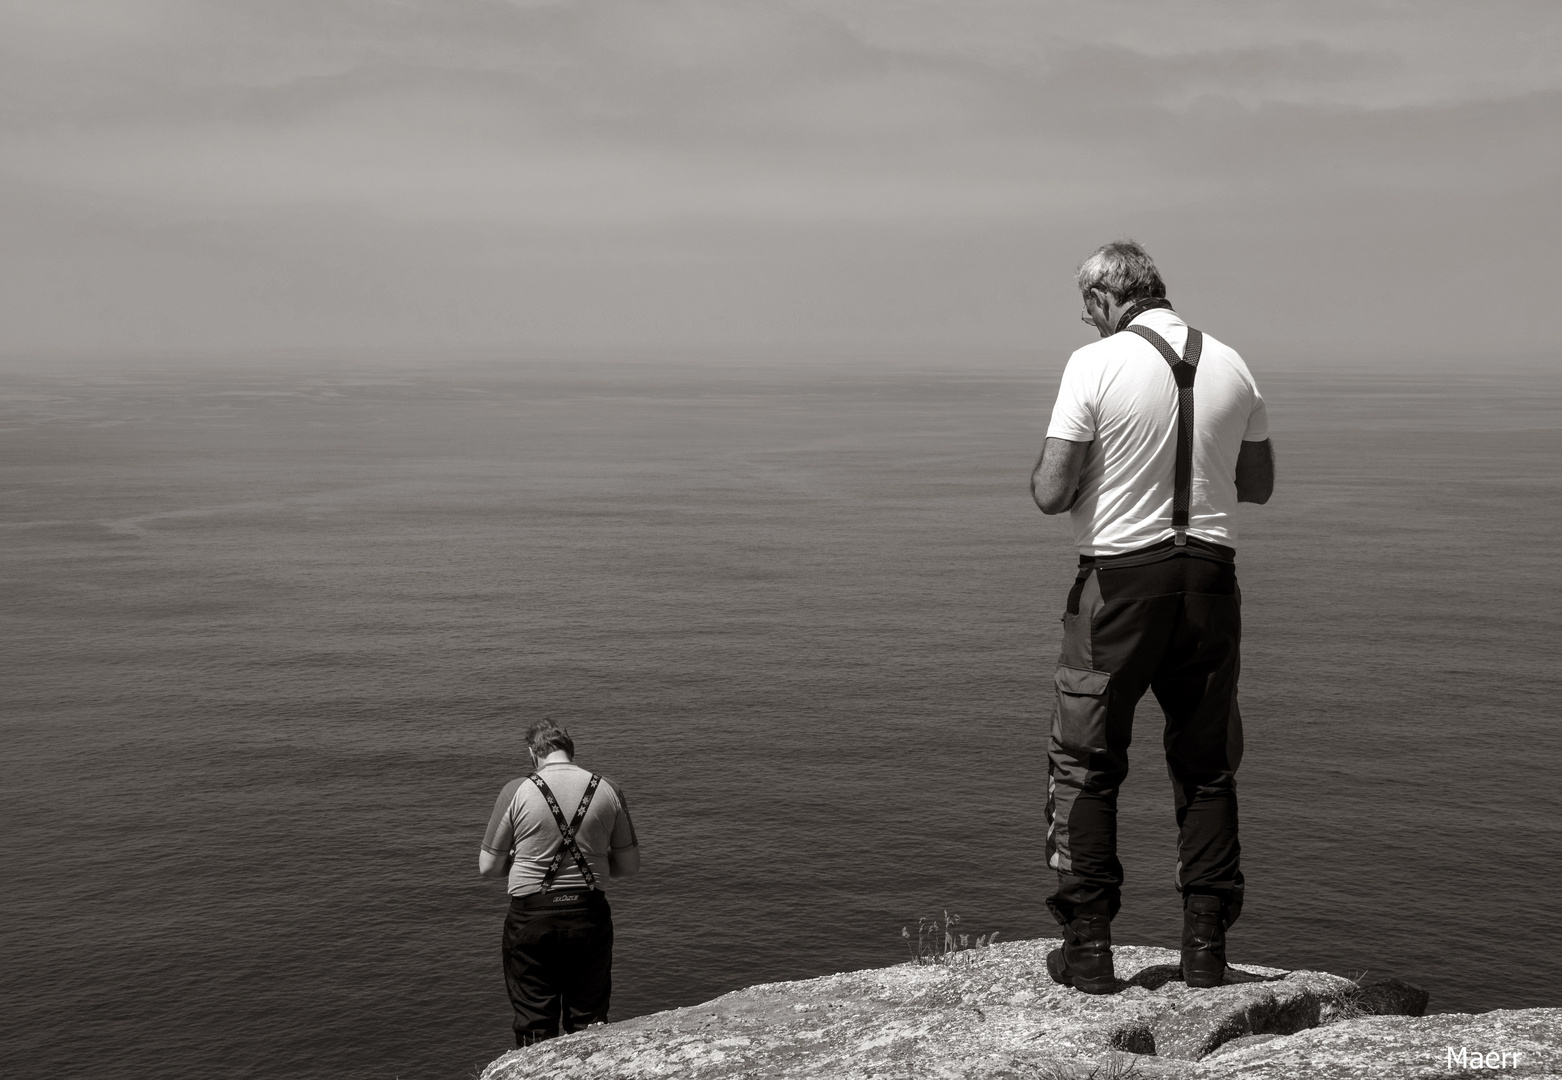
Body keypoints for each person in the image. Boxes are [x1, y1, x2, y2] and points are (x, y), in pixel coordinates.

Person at [1030, 240, 1274, 994]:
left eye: (1086, 309)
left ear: (1105, 298)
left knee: (1087, 762)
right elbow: (1258, 485)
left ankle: (1090, 949)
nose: (1086, 321)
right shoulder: (1233, 362)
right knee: (1206, 770)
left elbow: (1051, 491)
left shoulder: (1093, 364)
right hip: (1210, 582)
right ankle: (1205, 952)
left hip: (1119, 586)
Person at [478, 719, 640, 1045]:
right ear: (571, 750)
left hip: (531, 918)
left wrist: (524, 860)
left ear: (532, 753)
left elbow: (489, 867)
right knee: (589, 1018)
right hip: (588, 914)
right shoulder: (607, 789)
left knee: (534, 1019)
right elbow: (629, 865)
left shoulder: (516, 790)